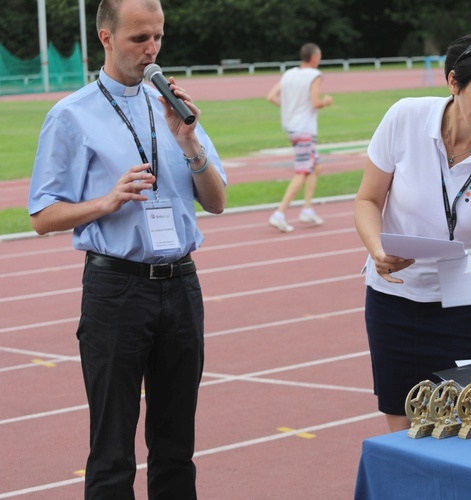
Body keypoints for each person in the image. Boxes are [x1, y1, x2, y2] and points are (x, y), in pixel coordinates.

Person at [27, 0, 226, 497]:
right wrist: (106, 200)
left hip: (181, 286)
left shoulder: (174, 105)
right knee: (113, 448)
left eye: (158, 36)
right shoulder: (71, 115)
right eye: (140, 38)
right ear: (106, 38)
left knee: (177, 444)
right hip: (116, 288)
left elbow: (218, 202)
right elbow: (41, 216)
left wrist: (190, 143)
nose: (152, 49)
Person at [354, 28, 471, 432]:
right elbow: (367, 201)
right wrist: (376, 250)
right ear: (454, 82)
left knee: (462, 425)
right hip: (395, 300)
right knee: (404, 423)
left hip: (470, 308)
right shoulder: (404, 118)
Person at [266, 43, 333, 232]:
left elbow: (271, 96)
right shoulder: (315, 75)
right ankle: (279, 213)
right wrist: (326, 101)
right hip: (304, 129)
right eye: (319, 56)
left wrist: (290, 109)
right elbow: (316, 102)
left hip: (293, 127)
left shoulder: (288, 74)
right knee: (302, 171)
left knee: (316, 166)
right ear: (314, 58)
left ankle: (307, 209)